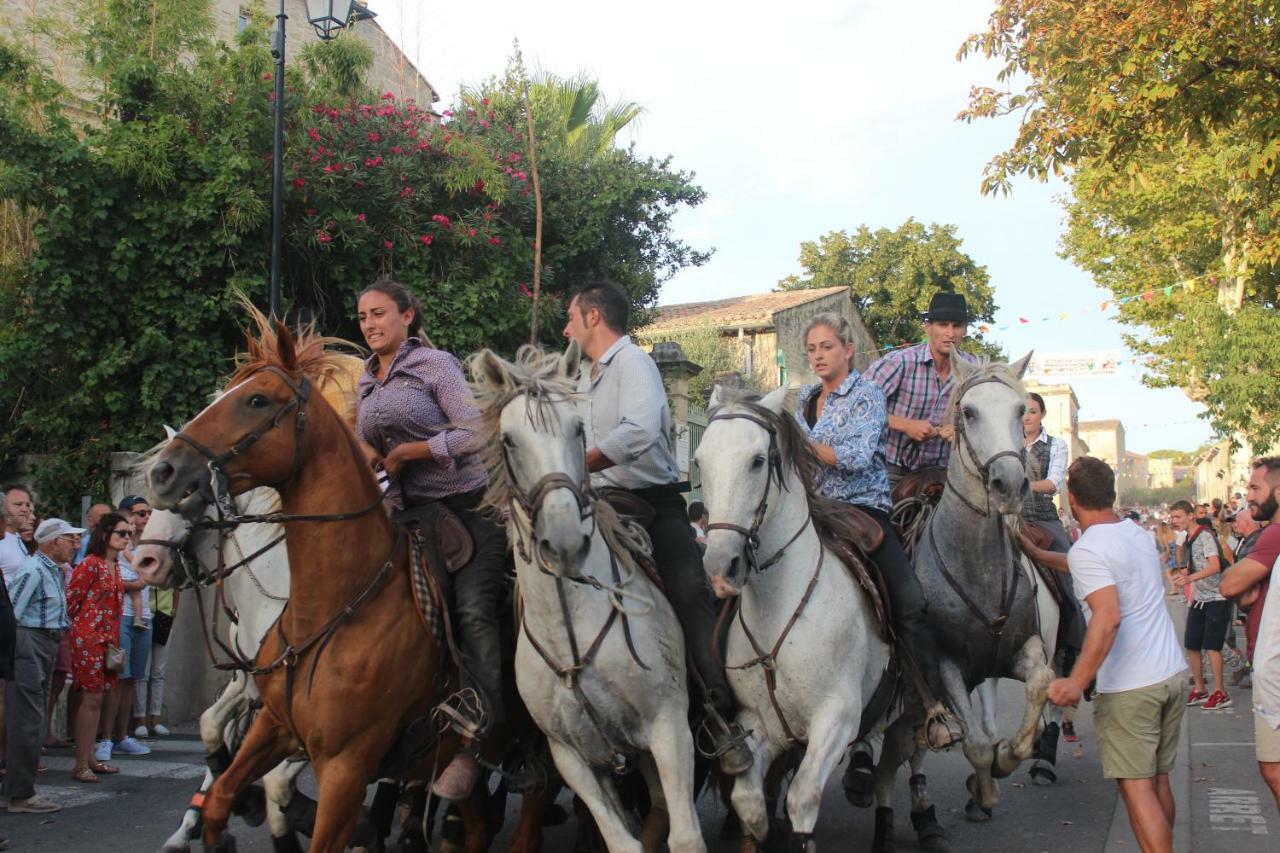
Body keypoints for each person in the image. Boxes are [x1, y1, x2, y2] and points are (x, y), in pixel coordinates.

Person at [562, 279, 753, 775]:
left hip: (652, 502)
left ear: (593, 317)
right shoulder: (584, 377)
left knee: (691, 589)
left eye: (570, 317)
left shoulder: (635, 364)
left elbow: (642, 429)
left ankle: (717, 712)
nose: (565, 328)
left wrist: (581, 461)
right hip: (596, 500)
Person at [356, 277, 507, 800]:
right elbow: (362, 435)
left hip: (467, 511)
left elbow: (478, 430)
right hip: (406, 516)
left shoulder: (436, 364)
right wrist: (369, 454)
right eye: (363, 318)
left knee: (472, 612)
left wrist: (412, 453)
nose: (371, 324)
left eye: (379, 314)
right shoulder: (366, 377)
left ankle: (477, 736)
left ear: (407, 316)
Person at [793, 311, 964, 749]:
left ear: (848, 350)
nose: (818, 356)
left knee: (909, 601)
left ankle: (932, 705)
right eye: (812, 349)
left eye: (826, 347)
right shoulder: (804, 400)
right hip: (812, 508)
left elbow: (854, 455)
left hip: (861, 509)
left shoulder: (866, 394)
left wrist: (800, 446)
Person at [1040, 457, 1187, 853]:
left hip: (1131, 687)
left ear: (1071, 500)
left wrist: (1077, 680)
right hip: (1170, 673)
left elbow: (1107, 618)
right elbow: (1087, 565)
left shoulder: (1089, 549)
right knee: (1158, 782)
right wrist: (1035, 552)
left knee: (1137, 789)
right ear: (1112, 494)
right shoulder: (1135, 533)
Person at [3, 518, 81, 813]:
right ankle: (20, 794)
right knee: (28, 719)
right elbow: (13, 612)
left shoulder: (51, 570)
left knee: (33, 718)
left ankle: (17, 789)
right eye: (68, 539)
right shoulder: (34, 569)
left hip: (44, 642)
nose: (74, 544)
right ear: (52, 542)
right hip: (30, 641)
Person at [862, 292, 978, 487]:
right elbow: (855, 405)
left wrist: (961, 430)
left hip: (948, 473)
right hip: (892, 470)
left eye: (957, 326)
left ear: (964, 330)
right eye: (942, 325)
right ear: (928, 327)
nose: (950, 333)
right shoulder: (900, 362)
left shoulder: (974, 369)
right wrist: (905, 425)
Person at [1218, 457, 1280, 807]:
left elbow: (1229, 584)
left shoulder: (1272, 534)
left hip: (1274, 670)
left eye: (1256, 488)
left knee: (1273, 768)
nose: (1248, 495)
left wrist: (1244, 586)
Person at [67, 512, 128, 783]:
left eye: (128, 533)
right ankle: (81, 763)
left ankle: (90, 758)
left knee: (99, 697)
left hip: (109, 638)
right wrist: (86, 629)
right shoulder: (90, 564)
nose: (127, 537)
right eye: (121, 533)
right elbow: (72, 600)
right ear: (105, 534)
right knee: (91, 697)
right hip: (89, 637)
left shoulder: (115, 566)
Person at [96, 496, 152, 761]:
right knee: (117, 678)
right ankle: (106, 738)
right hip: (121, 618)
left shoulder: (149, 544)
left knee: (132, 679)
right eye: (125, 528)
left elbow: (153, 576)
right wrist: (133, 584)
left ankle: (122, 736)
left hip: (145, 618)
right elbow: (107, 582)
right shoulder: (113, 553)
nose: (130, 533)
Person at [1170, 500, 1232, 710]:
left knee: (1212, 646)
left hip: (1217, 596)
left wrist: (1190, 578)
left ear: (1190, 515)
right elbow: (1194, 564)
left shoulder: (1204, 535)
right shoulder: (1188, 538)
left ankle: (1220, 691)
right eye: (1172, 517)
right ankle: (1200, 688)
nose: (1174, 521)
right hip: (1200, 597)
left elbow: (1214, 566)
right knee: (1192, 643)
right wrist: (1184, 576)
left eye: (1178, 516)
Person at [1225, 508, 1263, 689]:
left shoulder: (1256, 540)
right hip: (1246, 600)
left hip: (1254, 598)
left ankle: (1254, 671)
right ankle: (1251, 668)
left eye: (1237, 521)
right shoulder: (1243, 540)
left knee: (1257, 636)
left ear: (1247, 522)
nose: (1235, 525)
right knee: (1251, 635)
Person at [0, 485, 35, 581]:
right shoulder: (1, 540)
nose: (25, 509)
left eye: (27, 505)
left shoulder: (17, 537)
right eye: (18, 504)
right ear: (4, 506)